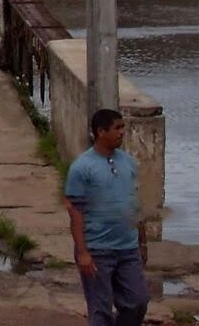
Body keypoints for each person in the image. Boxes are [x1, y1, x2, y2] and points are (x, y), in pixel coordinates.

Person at [64, 109, 149, 326]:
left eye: (123, 127)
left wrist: (142, 241)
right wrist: (83, 252)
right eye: (117, 128)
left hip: (128, 249)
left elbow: (134, 203)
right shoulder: (82, 168)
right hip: (97, 249)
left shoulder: (128, 163)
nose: (122, 132)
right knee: (100, 311)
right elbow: (75, 213)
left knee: (137, 302)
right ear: (100, 132)